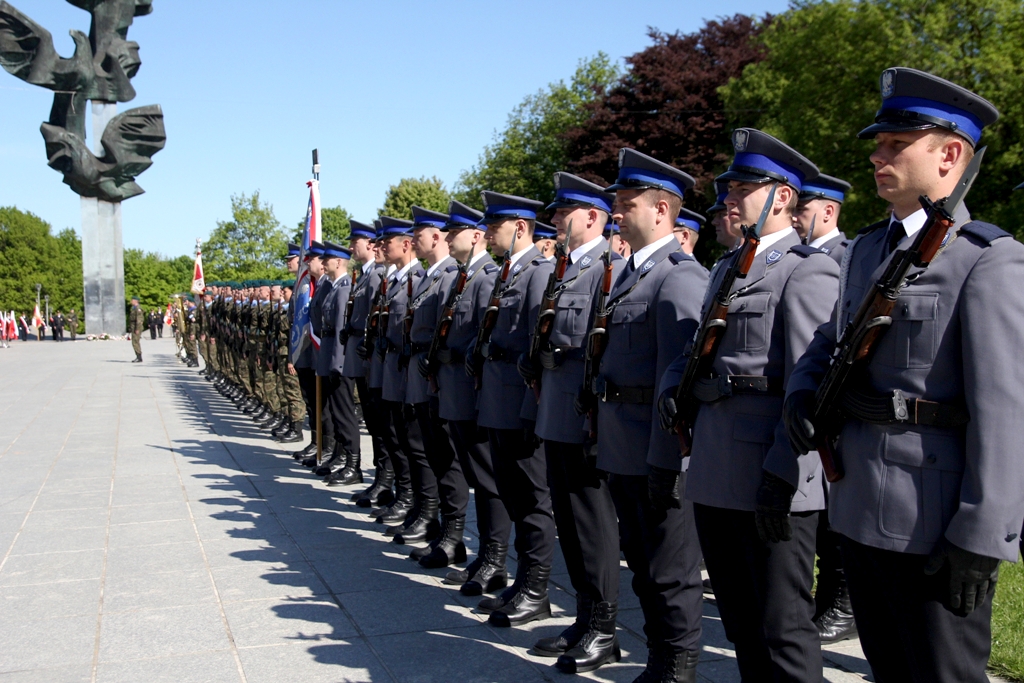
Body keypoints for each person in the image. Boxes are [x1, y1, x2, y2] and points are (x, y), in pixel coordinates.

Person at [785, 67, 1024, 683]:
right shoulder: (867, 250)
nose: (877, 153)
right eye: (879, 142)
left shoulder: (986, 260)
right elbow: (830, 337)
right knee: (887, 667)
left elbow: (1006, 411)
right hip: (858, 505)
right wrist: (803, 389)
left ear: (949, 155)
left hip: (933, 522)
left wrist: (981, 531)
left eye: (896, 144)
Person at [659, 129, 836, 683]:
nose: (730, 197)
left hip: (769, 470)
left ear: (782, 197)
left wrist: (785, 472)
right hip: (714, 466)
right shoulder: (726, 267)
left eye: (743, 187)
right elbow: (696, 349)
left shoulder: (806, 270)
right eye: (729, 187)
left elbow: (809, 388)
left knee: (782, 626)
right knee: (739, 622)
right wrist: (671, 383)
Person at [575, 149, 709, 682]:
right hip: (622, 444)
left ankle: (677, 667)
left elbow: (678, 385)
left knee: (670, 570)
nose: (616, 211)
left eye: (627, 203)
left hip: (657, 449)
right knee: (644, 565)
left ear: (661, 212)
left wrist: (666, 458)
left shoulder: (678, 276)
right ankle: (659, 658)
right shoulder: (630, 274)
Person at [517, 172, 625, 673]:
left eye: (565, 213)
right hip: (554, 412)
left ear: (592, 217)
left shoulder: (612, 269)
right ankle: (585, 620)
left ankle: (605, 629)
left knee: (593, 525)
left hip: (586, 419)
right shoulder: (564, 270)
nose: (557, 220)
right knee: (569, 522)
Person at [469, 191, 557, 629]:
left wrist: (530, 410)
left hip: (519, 402)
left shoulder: (538, 274)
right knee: (514, 496)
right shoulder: (508, 273)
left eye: (495, 225)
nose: (487, 232)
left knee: (532, 498)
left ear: (520, 227)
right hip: (498, 400)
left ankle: (537, 588)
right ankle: (523, 580)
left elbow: (535, 346)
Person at [791, 170, 857, 642]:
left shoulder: (845, 256)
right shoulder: (807, 257)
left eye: (804, 210)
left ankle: (841, 600)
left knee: (835, 513)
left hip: (840, 404)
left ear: (828, 212)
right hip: (811, 397)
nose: (795, 218)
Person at [793, 173, 851, 264]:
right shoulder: (795, 251)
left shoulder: (847, 255)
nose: (793, 217)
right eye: (792, 210)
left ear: (828, 212)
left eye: (800, 210)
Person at [128, 296, 144, 361]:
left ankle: (139, 357)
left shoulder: (138, 308)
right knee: (135, 342)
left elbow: (139, 320)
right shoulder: (134, 308)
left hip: (136, 327)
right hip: (134, 326)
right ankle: (138, 356)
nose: (131, 301)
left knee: (135, 342)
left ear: (136, 301)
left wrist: (137, 329)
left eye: (132, 300)